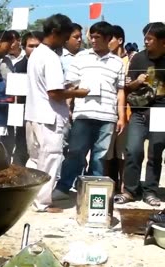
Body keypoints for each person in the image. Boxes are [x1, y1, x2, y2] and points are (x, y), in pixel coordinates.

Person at [53, 21, 126, 201]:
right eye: (91, 36)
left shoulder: (117, 62)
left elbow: (121, 91)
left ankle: (95, 193)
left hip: (107, 116)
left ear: (108, 39)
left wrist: (121, 116)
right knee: (75, 152)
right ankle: (64, 187)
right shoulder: (81, 58)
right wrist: (68, 107)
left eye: (97, 37)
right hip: (83, 114)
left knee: (100, 156)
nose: (93, 40)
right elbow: (70, 85)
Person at [24, 14, 89, 212]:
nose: (66, 41)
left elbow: (48, 87)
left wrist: (66, 87)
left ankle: (28, 197)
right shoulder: (50, 57)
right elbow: (54, 93)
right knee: (50, 158)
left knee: (35, 159)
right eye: (65, 36)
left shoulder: (36, 53)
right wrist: (78, 92)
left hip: (34, 114)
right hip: (49, 116)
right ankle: (42, 203)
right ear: (55, 33)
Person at [115, 23, 165, 206]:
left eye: (150, 38)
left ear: (162, 41)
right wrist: (138, 81)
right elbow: (127, 88)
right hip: (138, 111)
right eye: (145, 37)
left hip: (161, 112)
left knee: (155, 152)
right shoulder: (138, 59)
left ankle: (150, 191)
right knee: (133, 150)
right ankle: (129, 191)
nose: (146, 41)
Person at [106, 25, 131, 192]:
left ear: (120, 40)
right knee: (107, 151)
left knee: (123, 151)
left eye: (110, 39)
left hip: (126, 112)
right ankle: (107, 184)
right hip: (107, 111)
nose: (107, 42)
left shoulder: (130, 61)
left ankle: (124, 185)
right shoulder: (105, 60)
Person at [13, 31, 44, 166]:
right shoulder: (19, 66)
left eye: (38, 46)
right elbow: (15, 96)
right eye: (31, 46)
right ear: (24, 47)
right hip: (23, 113)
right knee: (22, 146)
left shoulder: (47, 64)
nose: (35, 50)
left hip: (43, 114)